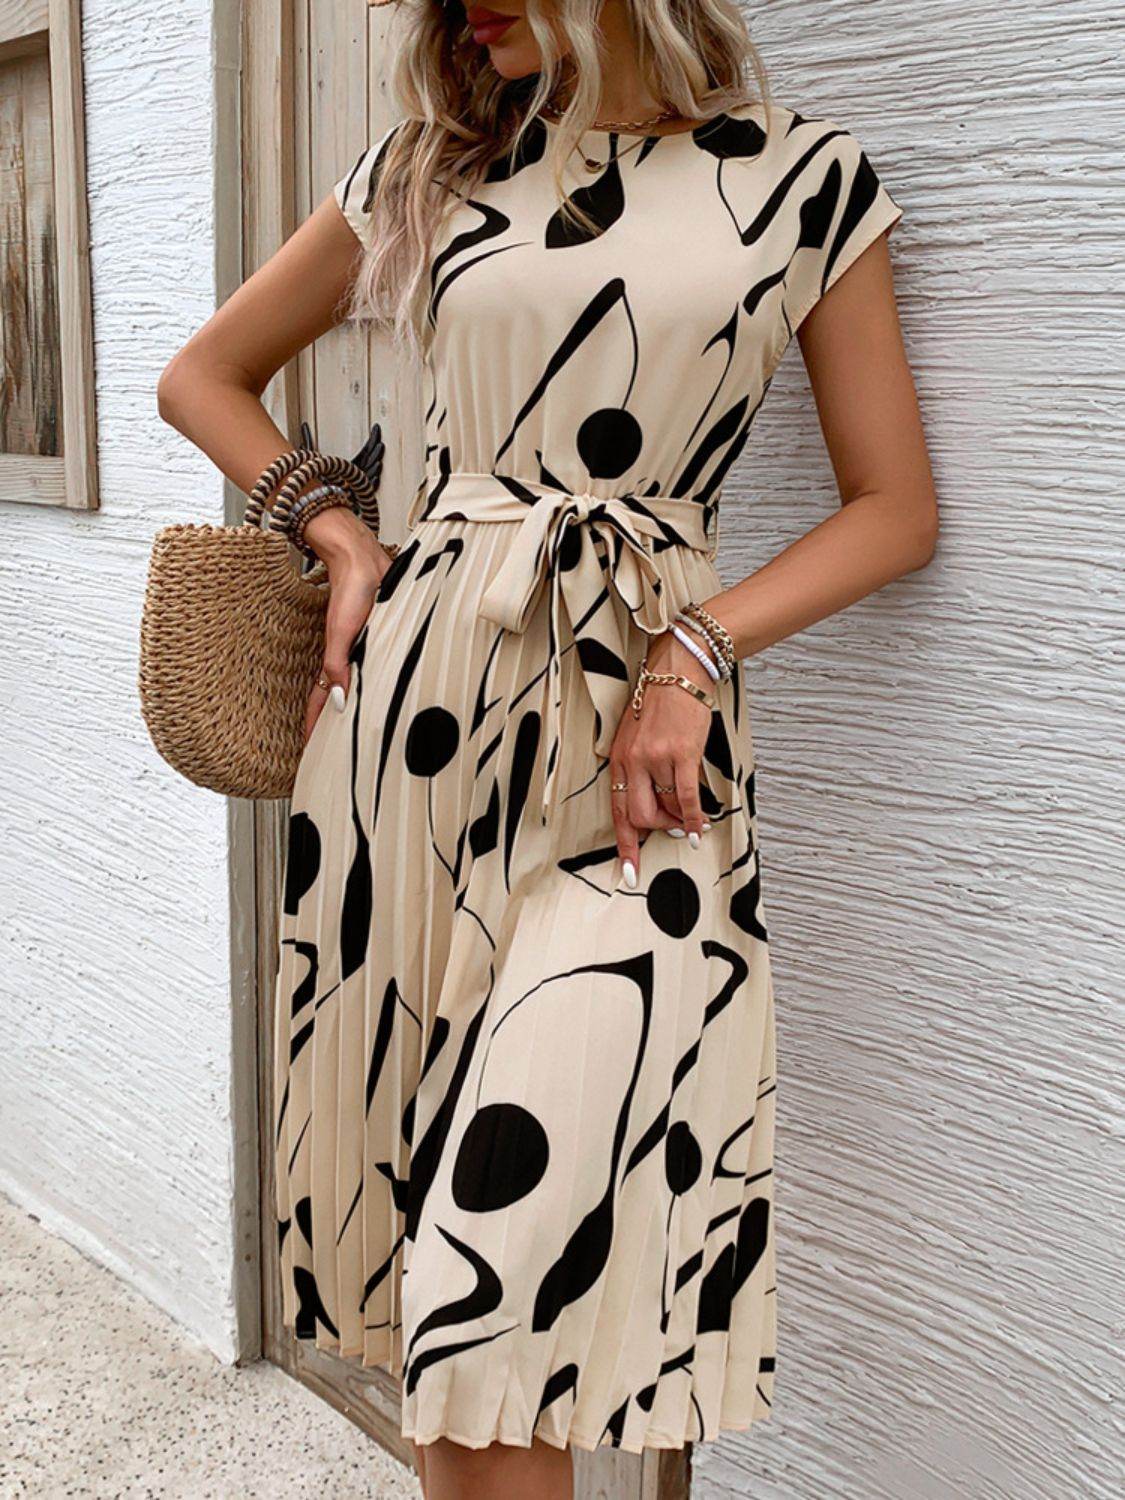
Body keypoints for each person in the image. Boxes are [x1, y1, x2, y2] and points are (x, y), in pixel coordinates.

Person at [157, 2, 937, 1496]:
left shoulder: (801, 180)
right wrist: (335, 529)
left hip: (638, 769)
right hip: (410, 743)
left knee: (514, 1278)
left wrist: (696, 652)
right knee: (451, 1324)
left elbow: (893, 508)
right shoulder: (427, 168)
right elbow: (203, 376)